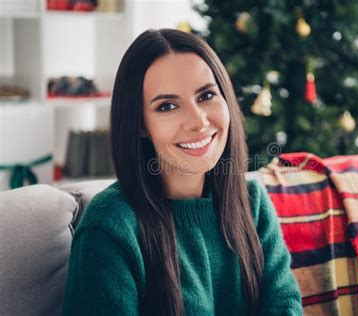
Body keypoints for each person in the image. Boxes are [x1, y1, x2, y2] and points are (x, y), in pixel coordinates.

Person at [62, 28, 303, 315]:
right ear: (140, 125)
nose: (198, 122)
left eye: (207, 95)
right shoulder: (109, 228)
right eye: (167, 106)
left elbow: (285, 306)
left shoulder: (253, 202)